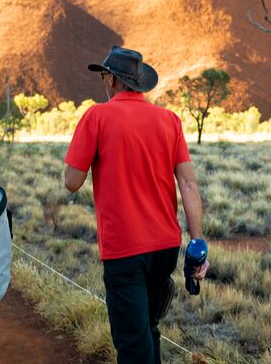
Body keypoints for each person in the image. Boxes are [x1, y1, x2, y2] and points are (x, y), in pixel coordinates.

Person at [64, 46, 209, 364]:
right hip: (165, 248)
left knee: (132, 343)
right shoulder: (169, 120)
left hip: (125, 249)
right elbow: (188, 183)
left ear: (113, 80)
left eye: (104, 75)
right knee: (148, 329)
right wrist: (197, 241)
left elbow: (71, 182)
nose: (103, 81)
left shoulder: (96, 116)